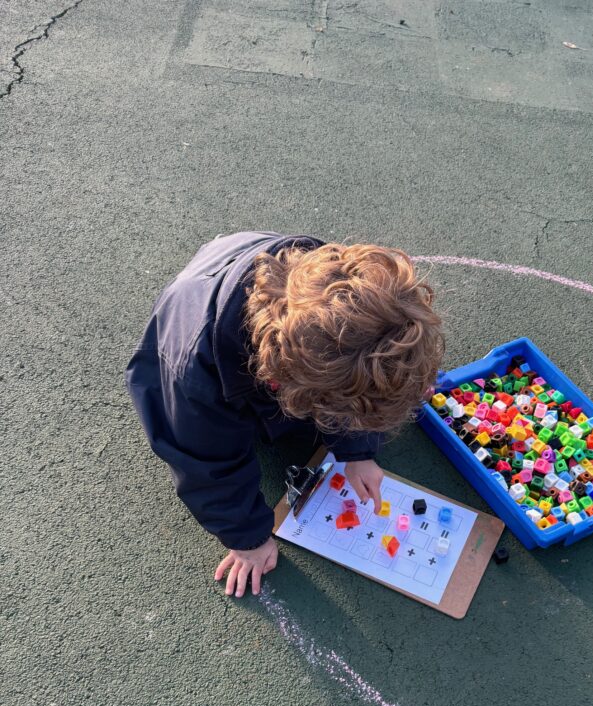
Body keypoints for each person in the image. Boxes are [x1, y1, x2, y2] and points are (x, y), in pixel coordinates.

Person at [126, 231, 445, 598]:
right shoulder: (193, 381)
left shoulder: (343, 295)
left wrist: (358, 450)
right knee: (217, 440)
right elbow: (206, 468)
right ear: (281, 385)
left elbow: (357, 373)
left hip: (251, 289)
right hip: (182, 348)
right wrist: (248, 539)